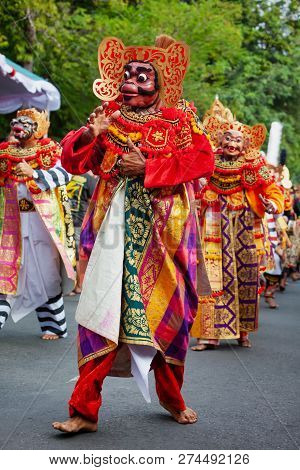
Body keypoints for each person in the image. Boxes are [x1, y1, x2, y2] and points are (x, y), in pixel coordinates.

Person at [52, 34, 214, 433]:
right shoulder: (107, 116)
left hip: (165, 236)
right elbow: (73, 160)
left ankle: (173, 399)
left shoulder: (179, 118)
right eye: (126, 74)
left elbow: (202, 159)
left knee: (168, 319)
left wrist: (150, 168)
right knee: (99, 315)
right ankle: (83, 410)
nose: (132, 81)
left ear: (160, 83)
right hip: (110, 230)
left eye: (142, 75)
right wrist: (90, 135)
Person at [190, 97, 284, 350]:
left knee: (245, 277)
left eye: (237, 140)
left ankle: (242, 331)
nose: (232, 143)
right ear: (219, 141)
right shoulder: (207, 162)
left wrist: (273, 204)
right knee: (210, 278)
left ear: (246, 145)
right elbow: (190, 180)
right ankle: (208, 334)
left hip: (244, 228)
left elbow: (273, 190)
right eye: (228, 139)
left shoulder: (254, 165)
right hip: (213, 225)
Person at [0, 108, 76, 339]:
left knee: (45, 274)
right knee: (6, 270)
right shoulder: (6, 153)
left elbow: (67, 174)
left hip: (43, 224)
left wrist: (34, 174)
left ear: (39, 129)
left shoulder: (51, 150)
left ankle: (54, 326)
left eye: (27, 122)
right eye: (18, 121)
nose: (19, 125)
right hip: (13, 223)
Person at [66, 172, 98, 294]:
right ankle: (78, 286)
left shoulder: (67, 177)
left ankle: (72, 285)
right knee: (79, 255)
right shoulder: (89, 180)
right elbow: (94, 202)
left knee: (69, 254)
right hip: (80, 221)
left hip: (66, 220)